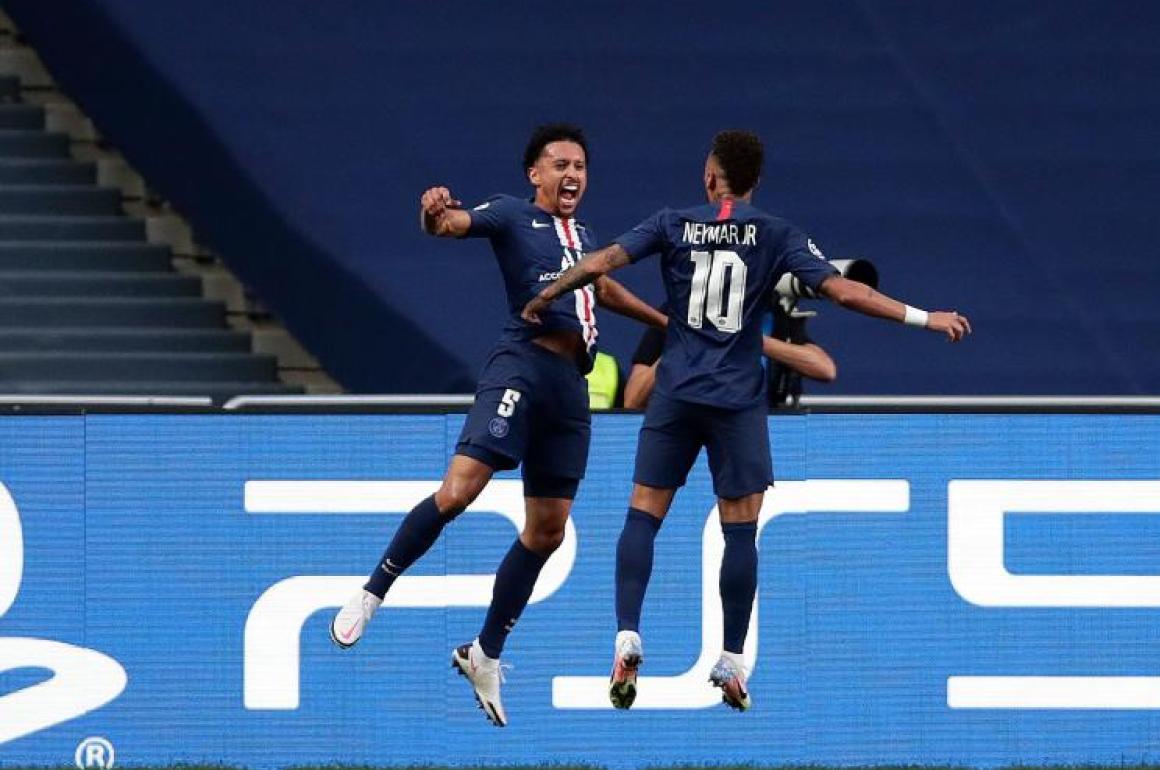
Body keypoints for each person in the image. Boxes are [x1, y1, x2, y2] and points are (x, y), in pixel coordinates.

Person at [521, 130, 970, 712]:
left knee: (643, 515)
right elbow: (845, 293)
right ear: (755, 182)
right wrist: (924, 317)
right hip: (736, 403)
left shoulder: (672, 222)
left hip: (676, 392)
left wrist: (548, 292)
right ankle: (731, 659)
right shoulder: (776, 232)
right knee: (740, 530)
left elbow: (603, 261)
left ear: (711, 178)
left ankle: (627, 633)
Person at [330, 123, 664, 727]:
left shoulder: (583, 235)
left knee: (547, 532)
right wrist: (435, 214)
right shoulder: (513, 215)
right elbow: (454, 225)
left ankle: (483, 653)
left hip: (572, 388)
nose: (572, 175)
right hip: (524, 363)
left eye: (581, 166)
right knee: (459, 491)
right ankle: (374, 589)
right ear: (535, 174)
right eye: (559, 165)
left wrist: (663, 322)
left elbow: (604, 287)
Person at [623, 298, 837, 410]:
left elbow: (824, 368)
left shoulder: (773, 315)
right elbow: (633, 399)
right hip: (688, 432)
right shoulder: (679, 310)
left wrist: (747, 338)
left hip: (756, 433)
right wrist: (686, 341)